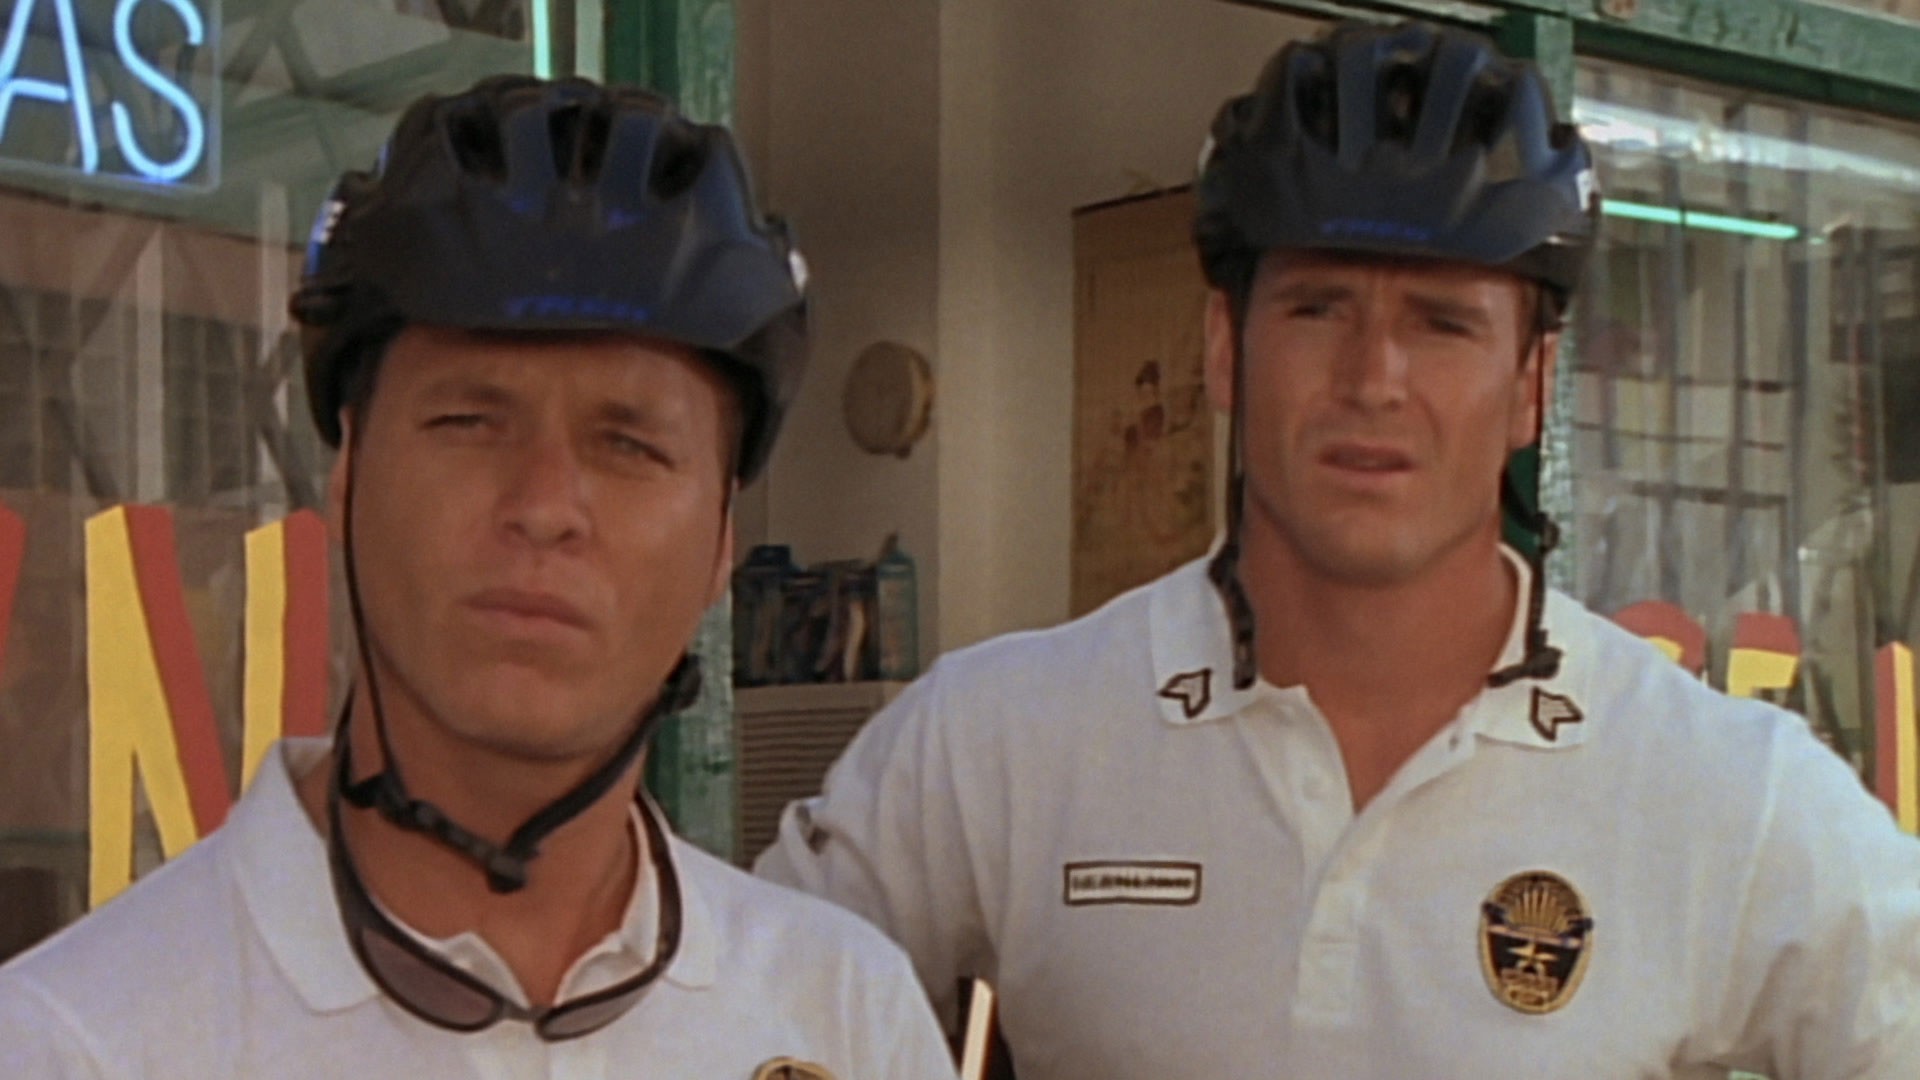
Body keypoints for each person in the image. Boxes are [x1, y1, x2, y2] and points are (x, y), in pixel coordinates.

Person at [756, 20, 1920, 1079]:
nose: (1374, 380)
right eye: (1318, 309)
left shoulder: (1728, 791)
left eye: (1443, 323)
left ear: (1533, 385)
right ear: (1225, 347)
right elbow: (738, 1013)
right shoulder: (997, 742)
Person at [0, 76, 954, 1080]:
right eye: (467, 421)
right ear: (348, 474)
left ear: (723, 539)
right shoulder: (74, 1040)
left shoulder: (843, 1013)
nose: (544, 506)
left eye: (630, 445)